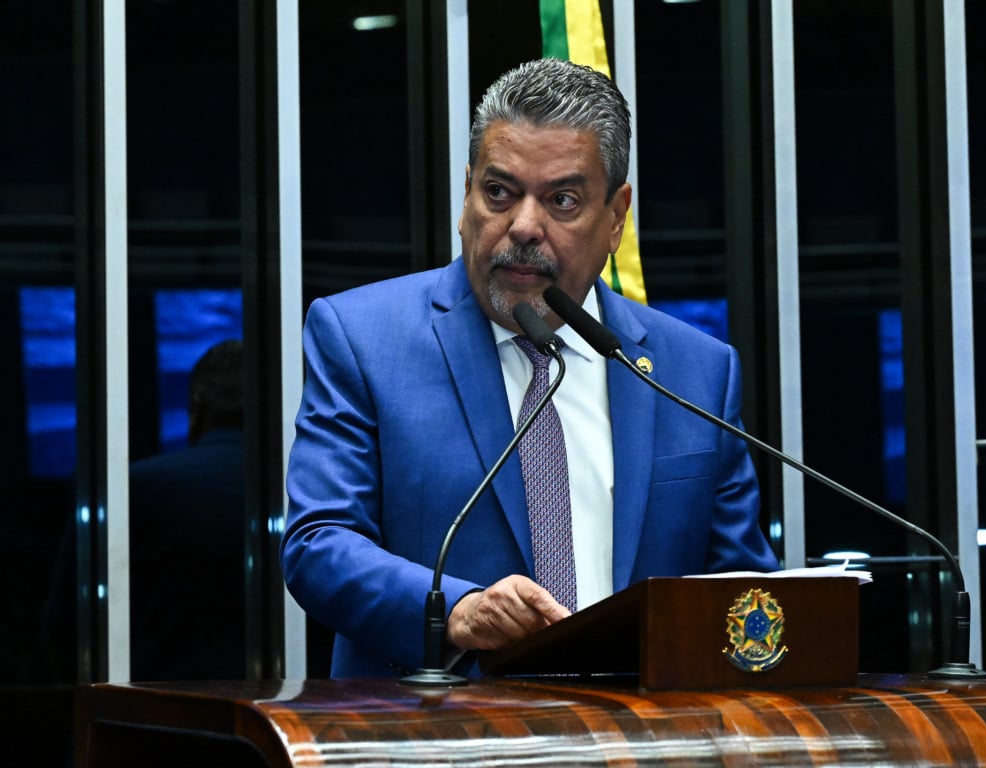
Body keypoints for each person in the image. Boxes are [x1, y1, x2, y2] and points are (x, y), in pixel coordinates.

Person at [282, 58, 779, 679]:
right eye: (499, 192)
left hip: (639, 739)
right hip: (434, 738)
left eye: (562, 200)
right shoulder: (361, 338)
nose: (522, 226)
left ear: (616, 217)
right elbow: (318, 543)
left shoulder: (694, 371)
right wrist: (455, 610)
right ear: (466, 197)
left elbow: (742, 591)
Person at [129, 338, 246, 680]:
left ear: (197, 405)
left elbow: (64, 621)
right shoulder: (308, 491)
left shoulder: (139, 485)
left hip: (159, 705)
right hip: (295, 705)